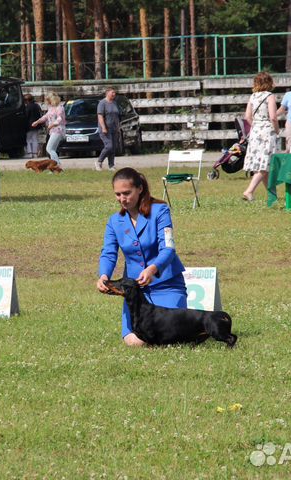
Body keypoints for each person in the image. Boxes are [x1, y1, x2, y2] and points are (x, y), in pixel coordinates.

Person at [96, 167, 187, 347]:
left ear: (140, 189)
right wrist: (104, 275)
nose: (122, 199)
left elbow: (168, 249)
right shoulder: (114, 221)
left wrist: (153, 269)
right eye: (118, 194)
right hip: (136, 293)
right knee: (135, 341)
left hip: (167, 285)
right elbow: (108, 252)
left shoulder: (160, 211)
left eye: (127, 193)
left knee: (172, 337)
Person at [242, 72, 280, 202]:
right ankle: (249, 190)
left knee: (264, 165)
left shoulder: (253, 96)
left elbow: (247, 117)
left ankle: (273, 196)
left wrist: (256, 126)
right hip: (267, 132)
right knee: (265, 164)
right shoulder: (270, 96)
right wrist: (276, 130)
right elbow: (273, 117)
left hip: (255, 131)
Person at [31, 93, 65, 167]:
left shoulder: (60, 108)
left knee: (49, 149)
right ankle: (55, 166)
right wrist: (37, 122)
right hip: (53, 131)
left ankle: (57, 165)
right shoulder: (51, 108)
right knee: (52, 149)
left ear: (52, 100)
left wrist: (51, 125)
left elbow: (59, 119)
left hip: (58, 130)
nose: (47, 102)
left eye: (48, 100)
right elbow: (45, 117)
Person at [95, 88, 121, 171]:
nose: (114, 94)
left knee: (113, 148)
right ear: (107, 93)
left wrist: (118, 127)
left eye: (115, 92)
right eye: (112, 92)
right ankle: (99, 162)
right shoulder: (102, 103)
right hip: (106, 129)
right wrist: (103, 127)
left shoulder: (114, 103)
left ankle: (111, 165)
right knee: (109, 146)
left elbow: (116, 116)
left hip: (114, 128)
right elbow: (100, 116)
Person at [23, 93, 43, 158]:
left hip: (29, 125)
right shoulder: (37, 105)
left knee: (28, 139)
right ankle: (35, 153)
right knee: (35, 139)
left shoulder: (28, 107)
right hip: (37, 124)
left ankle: (30, 153)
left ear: (27, 100)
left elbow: (26, 116)